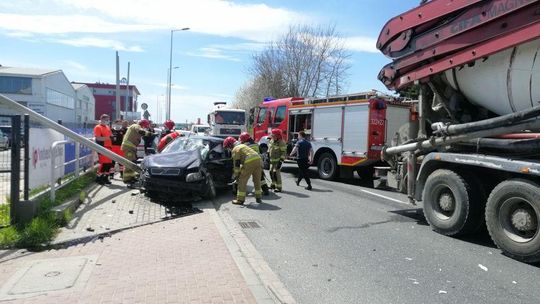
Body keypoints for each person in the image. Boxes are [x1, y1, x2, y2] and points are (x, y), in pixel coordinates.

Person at [223, 136, 263, 205]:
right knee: (257, 180)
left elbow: (237, 164)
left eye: (227, 147)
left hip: (250, 161)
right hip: (258, 160)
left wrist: (236, 175)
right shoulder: (242, 146)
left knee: (242, 181)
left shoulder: (235, 149)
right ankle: (258, 197)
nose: (228, 149)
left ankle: (240, 200)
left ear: (230, 145)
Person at [121, 119, 152, 186]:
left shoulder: (136, 127)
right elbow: (140, 131)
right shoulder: (136, 125)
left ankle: (131, 177)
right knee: (129, 162)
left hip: (131, 147)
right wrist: (148, 133)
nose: (145, 128)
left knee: (132, 162)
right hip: (128, 147)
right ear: (143, 124)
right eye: (145, 126)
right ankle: (127, 179)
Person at [93, 114, 113, 185]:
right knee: (103, 164)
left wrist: (112, 137)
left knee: (108, 164)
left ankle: (105, 178)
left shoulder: (107, 127)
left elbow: (110, 135)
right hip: (102, 147)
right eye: (106, 120)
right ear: (101, 119)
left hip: (109, 147)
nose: (107, 121)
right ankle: (99, 178)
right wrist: (108, 138)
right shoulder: (98, 127)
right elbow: (98, 138)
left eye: (108, 120)